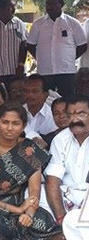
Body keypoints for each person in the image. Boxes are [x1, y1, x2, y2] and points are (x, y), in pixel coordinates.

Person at [0, 101, 62, 240]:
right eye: (5, 122)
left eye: (15, 123)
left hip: (18, 201)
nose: (9, 128)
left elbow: (34, 190)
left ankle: (11, 233)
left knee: (41, 220)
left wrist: (29, 213)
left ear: (24, 125)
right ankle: (33, 235)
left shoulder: (29, 149)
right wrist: (17, 210)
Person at [27, 0, 87, 97]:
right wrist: (41, 58)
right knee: (46, 100)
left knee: (67, 100)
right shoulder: (38, 24)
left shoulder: (72, 23)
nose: (49, 6)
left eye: (53, 3)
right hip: (45, 72)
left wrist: (69, 58)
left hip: (67, 72)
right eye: (47, 3)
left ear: (61, 4)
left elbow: (82, 45)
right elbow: (30, 45)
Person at [45, 94, 89, 226]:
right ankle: (67, 227)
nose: (74, 120)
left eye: (81, 114)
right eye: (69, 115)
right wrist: (61, 218)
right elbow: (53, 181)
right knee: (34, 194)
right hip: (67, 197)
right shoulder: (60, 140)